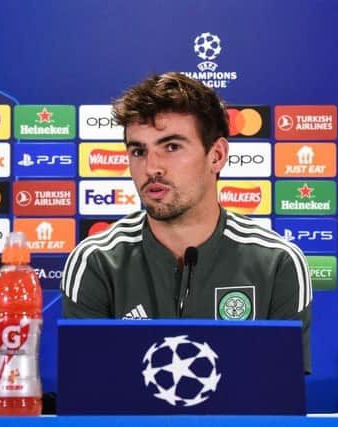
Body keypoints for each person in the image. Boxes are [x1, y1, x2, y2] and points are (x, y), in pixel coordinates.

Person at [61, 72, 312, 373]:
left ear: (217, 156)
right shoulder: (96, 262)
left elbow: (277, 397)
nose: (151, 167)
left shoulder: (278, 262)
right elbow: (89, 394)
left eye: (172, 147)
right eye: (138, 151)